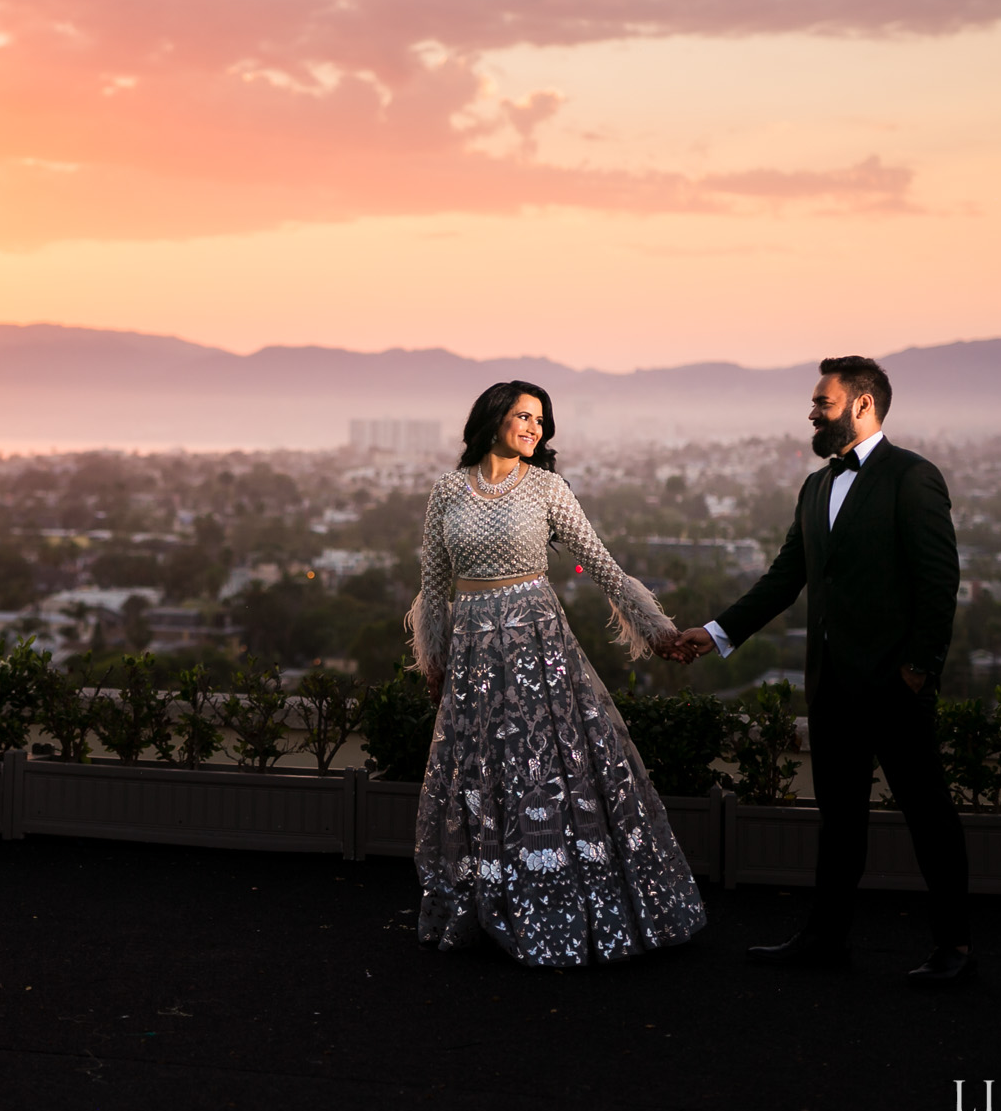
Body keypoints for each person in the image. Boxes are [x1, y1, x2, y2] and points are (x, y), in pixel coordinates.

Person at [661, 355, 970, 985]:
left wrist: (917, 671)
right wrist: (718, 632)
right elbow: (786, 579)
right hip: (831, 685)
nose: (811, 412)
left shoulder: (914, 477)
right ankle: (826, 939)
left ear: (862, 404)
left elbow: (940, 584)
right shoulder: (816, 487)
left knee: (928, 818)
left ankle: (955, 948)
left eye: (822, 402)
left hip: (894, 686)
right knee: (839, 821)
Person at [410, 380, 706, 966]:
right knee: (482, 774)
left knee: (546, 771)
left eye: (541, 420)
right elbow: (433, 588)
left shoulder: (547, 489)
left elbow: (602, 565)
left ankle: (559, 904)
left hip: (538, 653)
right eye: (523, 416)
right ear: (492, 418)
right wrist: (434, 660)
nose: (534, 428)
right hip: (471, 657)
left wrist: (657, 632)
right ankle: (488, 900)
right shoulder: (447, 492)